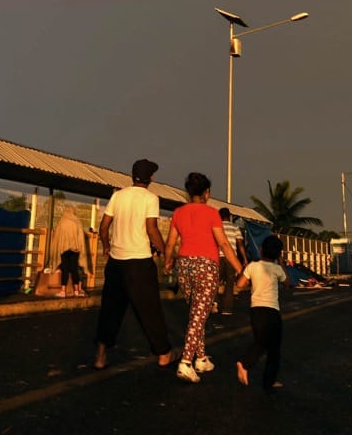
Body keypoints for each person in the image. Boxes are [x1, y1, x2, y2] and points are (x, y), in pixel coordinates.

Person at [94, 159, 178, 370]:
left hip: (116, 262)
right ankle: (163, 354)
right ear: (151, 178)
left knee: (110, 309)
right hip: (139, 263)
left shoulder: (118, 195)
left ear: (133, 176)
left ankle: (100, 356)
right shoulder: (151, 198)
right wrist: (166, 253)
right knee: (150, 310)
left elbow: (103, 227)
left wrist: (106, 246)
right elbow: (152, 229)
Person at [164, 173, 243, 383]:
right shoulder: (211, 213)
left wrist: (167, 261)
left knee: (196, 313)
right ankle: (186, 362)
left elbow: (171, 242)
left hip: (184, 265)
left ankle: (201, 358)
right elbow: (223, 243)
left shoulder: (178, 213)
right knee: (199, 315)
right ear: (207, 193)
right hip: (206, 266)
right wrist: (239, 268)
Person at [235, 234, 290, 390]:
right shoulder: (277, 269)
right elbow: (287, 283)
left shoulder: (253, 266)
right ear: (278, 254)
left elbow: (240, 284)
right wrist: (281, 262)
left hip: (256, 310)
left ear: (261, 250)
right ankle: (247, 365)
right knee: (273, 347)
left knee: (262, 340)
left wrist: (249, 276)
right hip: (272, 311)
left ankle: (263, 377)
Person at [49, 207, 88, 298]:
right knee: (74, 269)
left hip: (64, 249)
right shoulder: (77, 222)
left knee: (65, 269)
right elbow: (81, 237)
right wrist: (80, 248)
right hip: (75, 249)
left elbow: (57, 237)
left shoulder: (62, 222)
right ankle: (77, 291)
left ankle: (63, 292)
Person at [216, 207, 247, 315]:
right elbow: (240, 245)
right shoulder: (235, 227)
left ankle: (214, 303)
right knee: (229, 284)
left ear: (219, 216)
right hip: (232, 258)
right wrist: (244, 258)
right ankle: (227, 309)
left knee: (215, 282)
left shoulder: (217, 227)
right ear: (229, 216)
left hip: (218, 257)